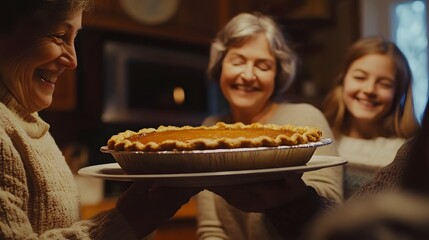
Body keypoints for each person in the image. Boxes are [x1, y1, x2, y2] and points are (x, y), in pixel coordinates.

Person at [0, 1, 200, 239]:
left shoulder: (28, 122)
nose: (73, 60)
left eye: (74, 38)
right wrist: (125, 222)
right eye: (59, 36)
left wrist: (131, 220)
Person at [196, 12, 343, 240]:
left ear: (277, 75)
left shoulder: (303, 122)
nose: (247, 75)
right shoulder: (210, 128)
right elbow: (212, 230)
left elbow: (329, 207)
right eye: (238, 61)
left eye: (263, 66)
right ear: (220, 66)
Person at [321, 37, 420, 197]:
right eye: (360, 77)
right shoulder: (320, 143)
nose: (369, 89)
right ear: (343, 80)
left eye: (384, 84)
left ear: (399, 93)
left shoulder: (409, 155)